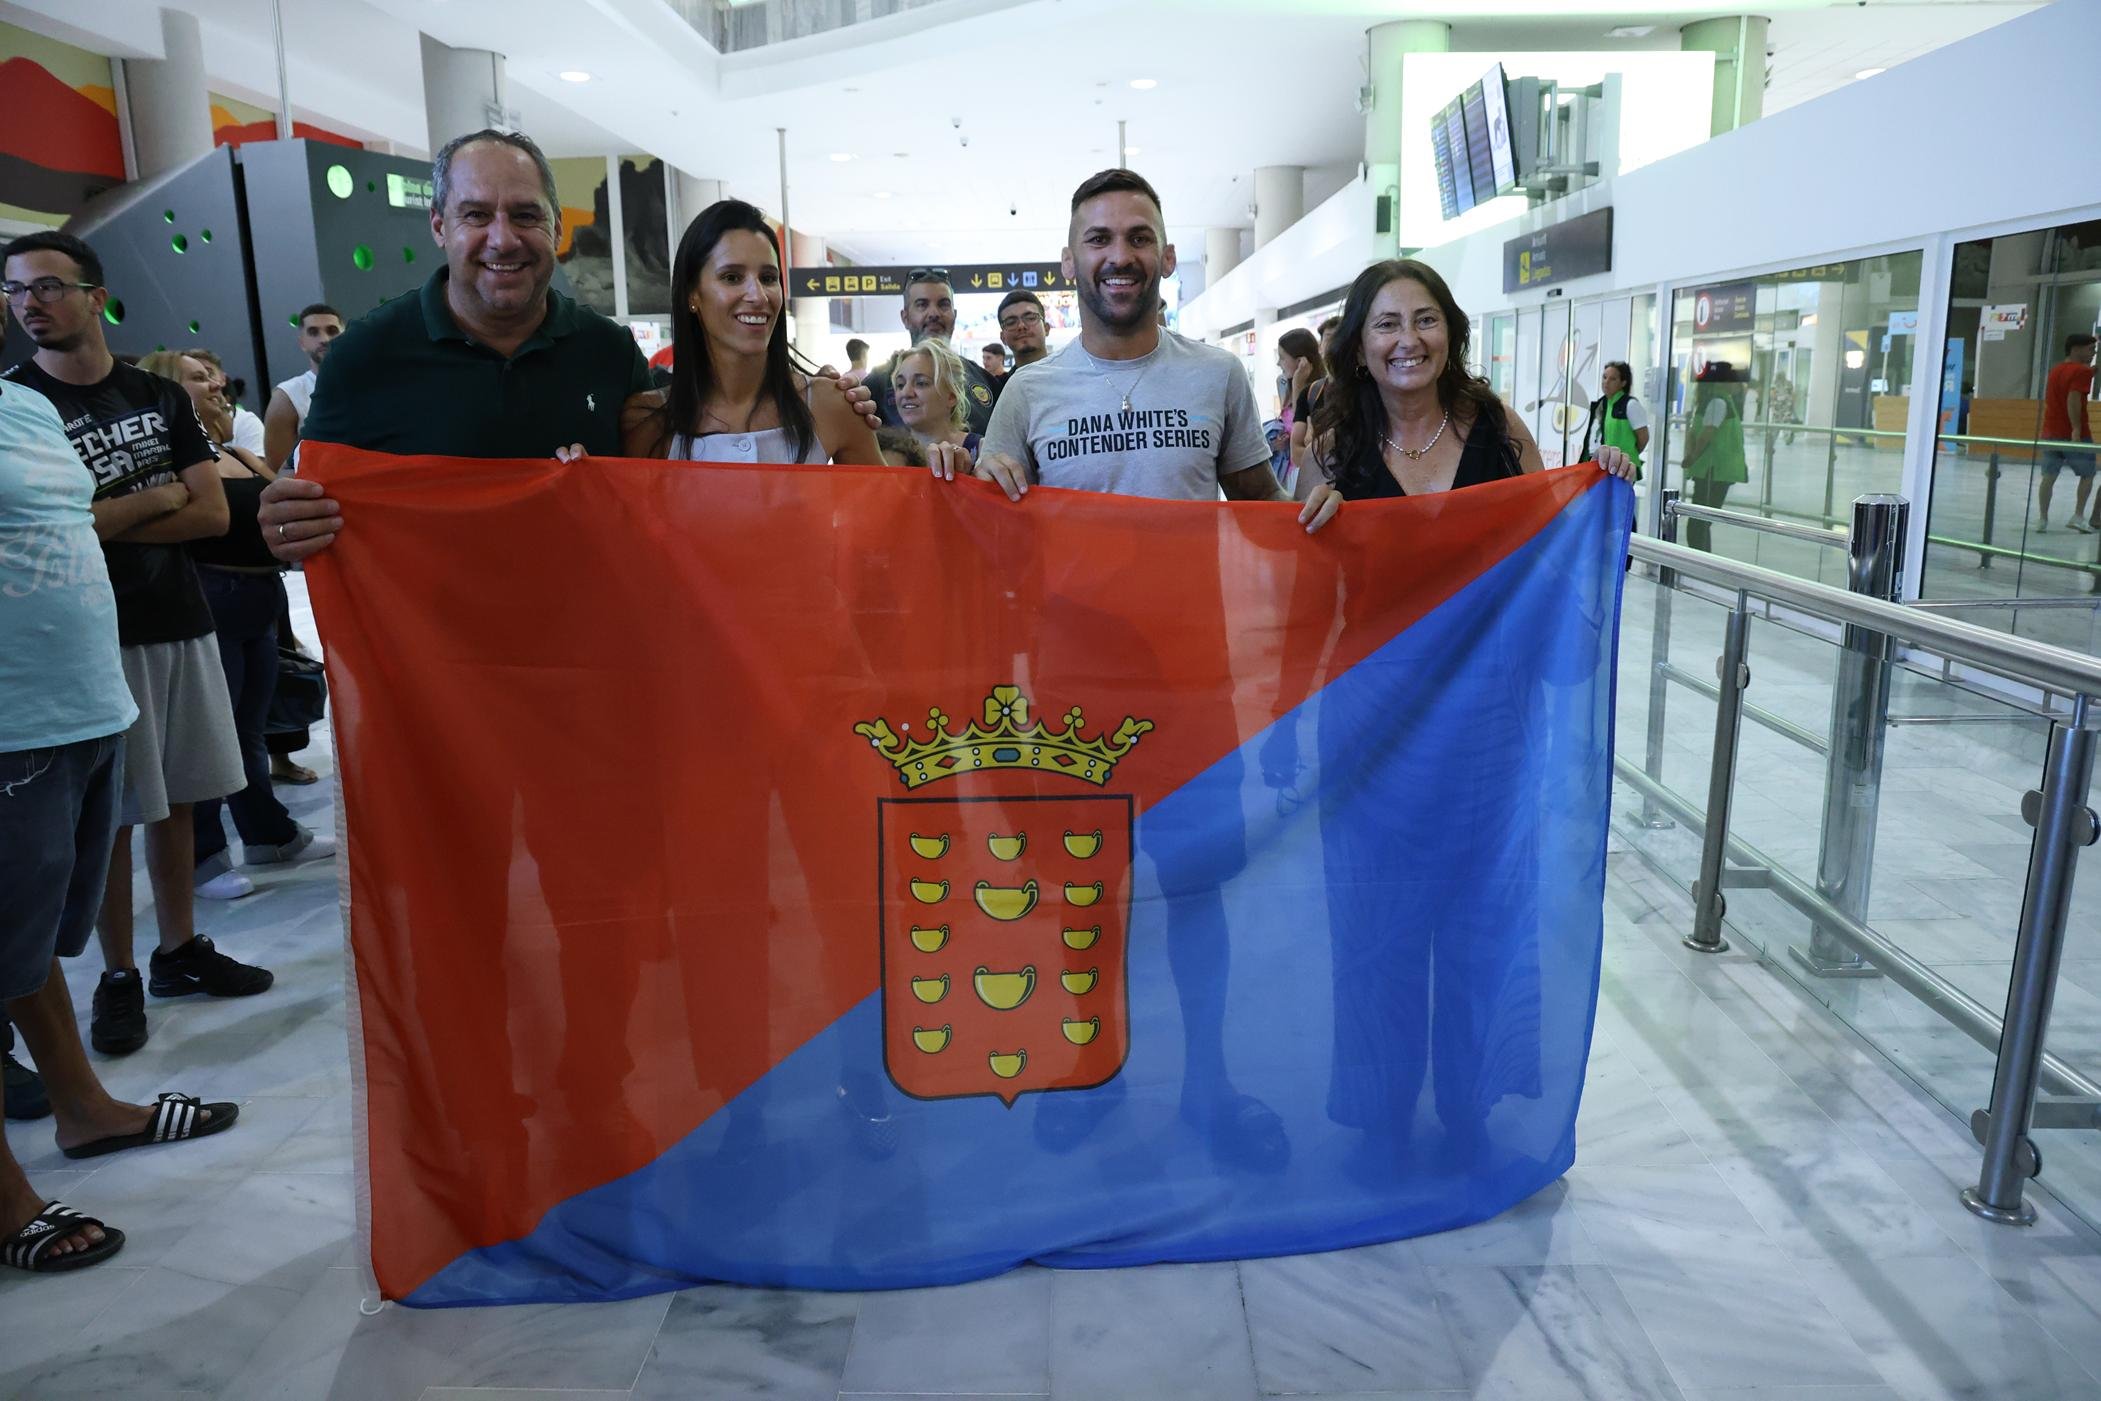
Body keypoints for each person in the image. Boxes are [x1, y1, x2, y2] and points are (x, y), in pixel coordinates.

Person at [958, 168, 1337, 1172]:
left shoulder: (1213, 377)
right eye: (1098, 239)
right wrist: (963, 484)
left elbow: (1264, 517)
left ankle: (1209, 1085)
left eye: (1136, 237)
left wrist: (1331, 517)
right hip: (1075, 702)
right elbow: (986, 553)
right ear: (1070, 259)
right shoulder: (1027, 394)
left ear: (1166, 256)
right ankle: (1095, 1072)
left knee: (1196, 893)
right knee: (1086, 899)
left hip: (1192, 696)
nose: (1117, 256)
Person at [3, 231, 271, 1057]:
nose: (31, 303)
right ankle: (119, 971)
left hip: (179, 617)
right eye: (15, 292)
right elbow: (73, 520)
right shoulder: (21, 403)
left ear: (95, 294)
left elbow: (214, 513)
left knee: (181, 797)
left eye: (48, 285)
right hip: (90, 636)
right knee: (113, 818)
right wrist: (150, 498)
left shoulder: (156, 394)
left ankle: (177, 950)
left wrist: (115, 512)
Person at [0, 373, 240, 1276]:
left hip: (81, 709)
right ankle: (5, 1199)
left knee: (26, 953)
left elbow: (85, 524)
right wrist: (165, 492)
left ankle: (84, 1108)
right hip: (9, 723)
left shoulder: (20, 407)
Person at [137, 351, 331, 902]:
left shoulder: (235, 452)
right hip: (210, 600)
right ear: (170, 390)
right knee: (206, 740)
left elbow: (289, 498)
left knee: (249, 729)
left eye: (214, 376)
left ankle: (268, 833)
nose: (218, 383)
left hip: (259, 598)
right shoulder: (172, 463)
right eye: (200, 378)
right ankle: (203, 856)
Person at [626, 198, 883, 468]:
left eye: (768, 278)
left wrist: (933, 458)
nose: (758, 295)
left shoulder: (831, 404)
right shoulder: (647, 419)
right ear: (693, 294)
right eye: (732, 277)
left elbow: (889, 504)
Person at [865, 269, 998, 433]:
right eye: (922, 305)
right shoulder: (878, 383)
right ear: (905, 317)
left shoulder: (981, 378)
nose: (934, 313)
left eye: (943, 304)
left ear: (954, 316)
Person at [262, 303, 342, 472]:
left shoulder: (372, 385)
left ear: (345, 335)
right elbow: (279, 472)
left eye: (332, 331)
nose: (324, 339)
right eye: (313, 332)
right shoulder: (287, 396)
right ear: (302, 343)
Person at [1680, 361, 1748, 552]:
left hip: (1713, 470)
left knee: (1700, 522)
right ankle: (1701, 562)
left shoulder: (1714, 401)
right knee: (1700, 522)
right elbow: (1705, 434)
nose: (1735, 385)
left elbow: (1700, 433)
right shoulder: (1719, 402)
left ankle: (1700, 562)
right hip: (1714, 471)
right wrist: (1692, 456)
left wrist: (1692, 456)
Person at [889, 336, 982, 468]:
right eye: (900, 385)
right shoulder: (890, 455)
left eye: (921, 383)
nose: (906, 393)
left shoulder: (982, 452)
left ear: (951, 396)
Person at [2039, 332, 2097, 534]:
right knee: (2088, 474)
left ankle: (2042, 519)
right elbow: (2073, 399)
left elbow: (2086, 374)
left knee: (2049, 476)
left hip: (2050, 431)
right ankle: (2078, 516)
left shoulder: (2056, 370)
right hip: (2073, 433)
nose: (2093, 354)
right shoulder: (2081, 372)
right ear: (2077, 349)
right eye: (2091, 350)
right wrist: (2076, 428)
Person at [181, 347, 264, 457]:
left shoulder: (244, 423)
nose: (214, 385)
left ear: (223, 379)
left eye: (210, 374)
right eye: (199, 378)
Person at [1578, 359, 1649, 482]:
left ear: (1623, 383)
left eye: (1613, 379)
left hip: (1623, 469)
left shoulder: (1630, 405)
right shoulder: (1601, 404)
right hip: (1603, 467)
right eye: (1604, 377)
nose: (1606, 382)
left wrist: (1628, 452)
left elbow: (1643, 438)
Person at [1276, 327, 1324, 490]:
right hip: (1285, 472)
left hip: (1305, 474)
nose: (1278, 363)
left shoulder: (1318, 392)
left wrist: (1298, 385)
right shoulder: (1283, 385)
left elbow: (1302, 431)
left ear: (1300, 361)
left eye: (1282, 358)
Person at [997, 289, 1052, 372]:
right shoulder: (999, 385)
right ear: (1003, 337)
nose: (1021, 326)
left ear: (1046, 328)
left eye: (1030, 318)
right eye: (1011, 322)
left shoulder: (1073, 377)